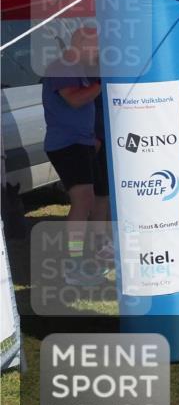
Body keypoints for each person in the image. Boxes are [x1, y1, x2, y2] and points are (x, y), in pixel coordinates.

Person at [42, 27, 105, 285]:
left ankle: (86, 257)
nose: (98, 51)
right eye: (96, 45)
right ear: (81, 42)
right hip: (67, 145)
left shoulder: (77, 68)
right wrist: (102, 83)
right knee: (82, 201)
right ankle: (73, 265)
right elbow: (75, 100)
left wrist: (91, 137)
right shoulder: (62, 67)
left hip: (81, 143)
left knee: (90, 200)